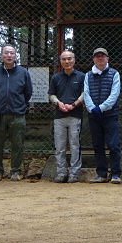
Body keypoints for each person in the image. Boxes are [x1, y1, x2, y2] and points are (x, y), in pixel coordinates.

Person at [0, 45, 33, 182]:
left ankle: (16, 171)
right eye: (6, 53)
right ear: (1, 55)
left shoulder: (23, 72)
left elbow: (28, 92)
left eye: (11, 53)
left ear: (15, 56)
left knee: (17, 143)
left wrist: (19, 105)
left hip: (17, 114)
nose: (9, 55)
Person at [83, 48, 122, 184]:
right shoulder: (88, 75)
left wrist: (101, 108)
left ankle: (116, 174)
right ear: (94, 59)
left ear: (107, 58)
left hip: (110, 115)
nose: (100, 58)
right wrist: (93, 109)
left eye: (102, 56)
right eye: (97, 56)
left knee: (113, 145)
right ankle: (102, 174)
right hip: (94, 116)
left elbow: (114, 94)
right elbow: (86, 93)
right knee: (98, 145)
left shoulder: (114, 74)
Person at [48, 50, 85, 183]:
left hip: (75, 116)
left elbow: (85, 93)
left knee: (75, 144)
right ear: (60, 61)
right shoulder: (56, 78)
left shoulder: (81, 77)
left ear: (74, 60)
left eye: (69, 59)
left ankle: (74, 173)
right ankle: (61, 172)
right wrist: (58, 103)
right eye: (64, 59)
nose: (67, 62)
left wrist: (75, 104)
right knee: (60, 146)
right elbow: (51, 94)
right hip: (59, 117)